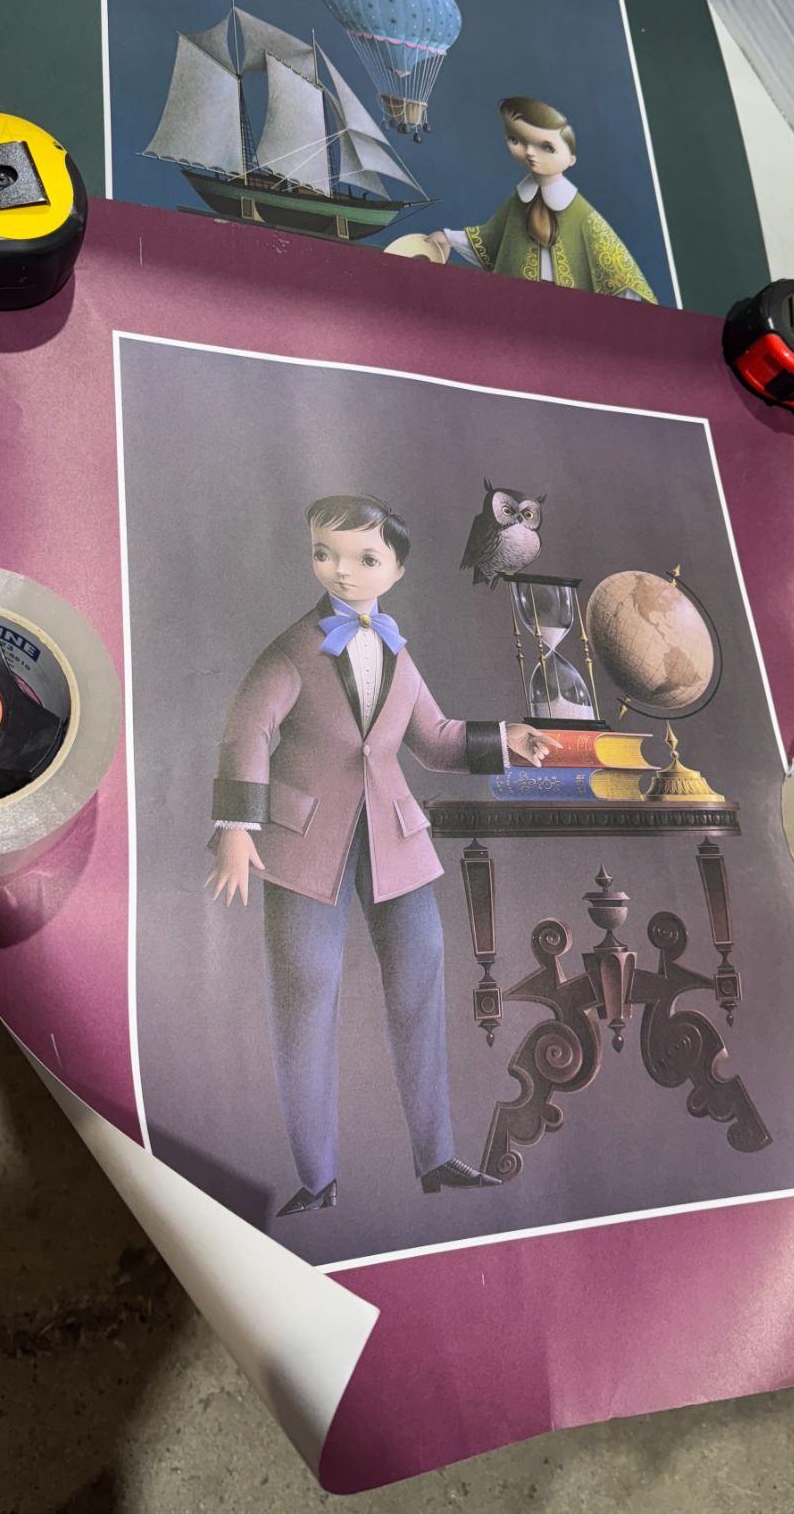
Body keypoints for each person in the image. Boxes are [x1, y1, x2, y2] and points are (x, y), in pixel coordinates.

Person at [206, 493, 559, 1217]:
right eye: (325, 554)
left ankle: (436, 1158)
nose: (342, 570)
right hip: (304, 844)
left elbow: (434, 739)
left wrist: (506, 739)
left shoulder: (397, 652)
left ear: (397, 570)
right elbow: (248, 730)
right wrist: (237, 828)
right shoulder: (293, 648)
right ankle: (318, 1177)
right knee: (307, 991)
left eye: (364, 558)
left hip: (393, 839)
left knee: (421, 977)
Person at [420, 96, 657, 299]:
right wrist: (449, 238)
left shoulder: (581, 215)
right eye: (516, 140)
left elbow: (618, 270)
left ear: (571, 158)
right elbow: (491, 239)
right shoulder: (520, 202)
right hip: (516, 299)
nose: (530, 153)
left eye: (547, 148)